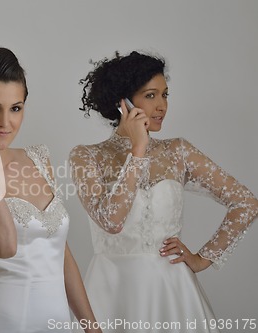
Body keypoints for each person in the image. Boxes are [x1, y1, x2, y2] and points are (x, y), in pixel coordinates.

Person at [69, 51, 258, 332]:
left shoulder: (178, 151)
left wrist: (202, 258)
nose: (162, 106)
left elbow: (246, 202)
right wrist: (138, 151)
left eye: (165, 95)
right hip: (111, 289)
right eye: (150, 95)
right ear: (122, 102)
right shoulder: (86, 156)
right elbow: (111, 221)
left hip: (171, 289)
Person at [0, 44, 101, 333]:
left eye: (16, 108)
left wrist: (91, 327)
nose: (6, 122)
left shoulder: (38, 158)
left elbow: (61, 254)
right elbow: (2, 245)